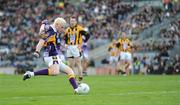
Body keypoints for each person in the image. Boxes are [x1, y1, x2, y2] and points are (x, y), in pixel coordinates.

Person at [23, 18, 80, 94]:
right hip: (50, 55)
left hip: (55, 55)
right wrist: (37, 51)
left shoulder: (53, 30)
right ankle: (30, 73)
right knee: (55, 72)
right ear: (57, 25)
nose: (63, 29)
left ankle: (77, 89)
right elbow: (42, 40)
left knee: (70, 71)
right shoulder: (51, 31)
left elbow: (47, 34)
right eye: (62, 27)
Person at [64, 16, 90, 82]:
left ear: (76, 22)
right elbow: (65, 38)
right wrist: (66, 44)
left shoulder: (79, 28)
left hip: (76, 47)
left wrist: (84, 42)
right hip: (69, 47)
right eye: (71, 21)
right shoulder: (67, 30)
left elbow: (88, 35)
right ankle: (73, 77)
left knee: (78, 63)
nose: (72, 22)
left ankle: (80, 76)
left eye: (73, 21)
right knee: (70, 65)